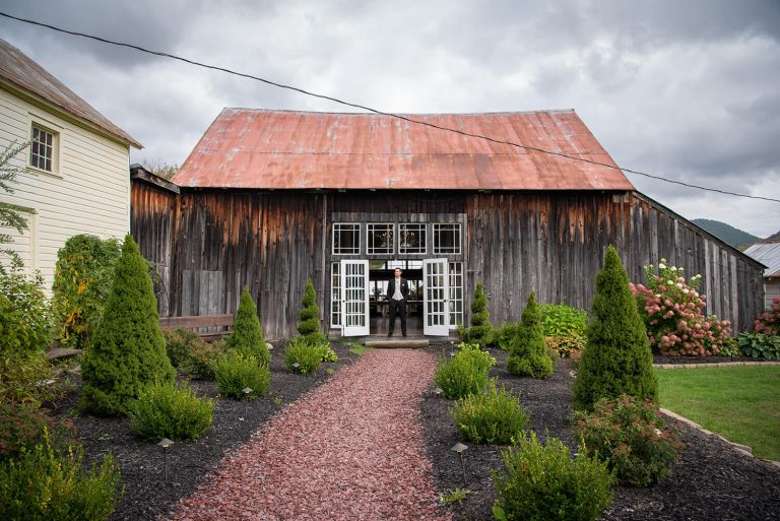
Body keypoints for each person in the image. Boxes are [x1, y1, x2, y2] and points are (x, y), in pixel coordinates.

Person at [386, 267, 409, 337]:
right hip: (393, 301)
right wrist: (390, 300)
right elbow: (388, 292)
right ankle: (390, 332)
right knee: (392, 318)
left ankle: (404, 333)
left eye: (397, 271)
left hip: (401, 300)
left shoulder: (404, 281)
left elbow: (407, 291)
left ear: (400, 272)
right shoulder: (391, 281)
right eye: (395, 271)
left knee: (403, 318)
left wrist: (404, 300)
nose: (396, 272)